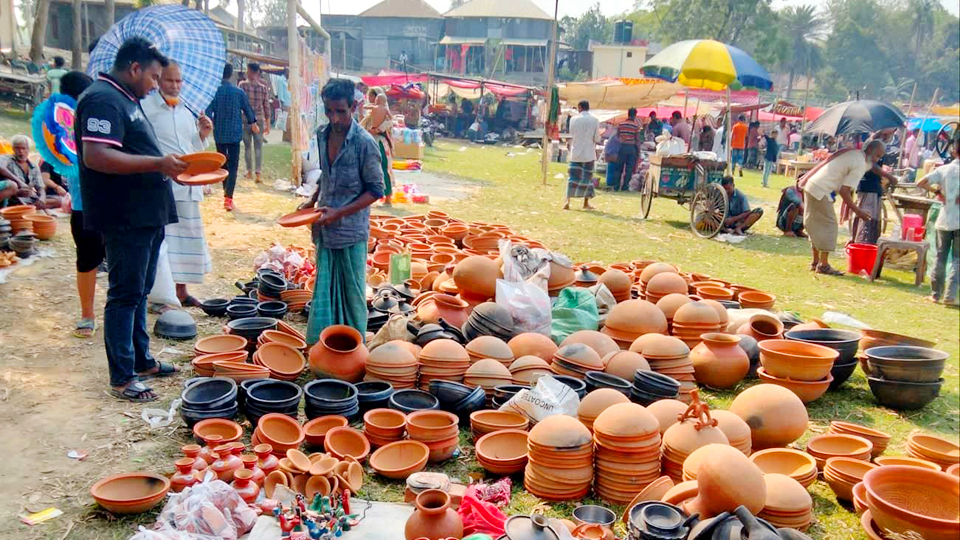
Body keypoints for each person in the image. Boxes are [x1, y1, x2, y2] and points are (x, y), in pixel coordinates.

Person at [76, 36, 187, 401]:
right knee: (125, 294)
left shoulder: (127, 99)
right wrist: (158, 163)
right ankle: (122, 376)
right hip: (124, 215)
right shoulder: (102, 100)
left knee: (140, 291)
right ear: (134, 68)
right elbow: (97, 156)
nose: (157, 85)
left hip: (146, 213)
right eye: (154, 77)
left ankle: (141, 359)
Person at [298, 79, 385, 343]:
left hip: (350, 231)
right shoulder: (323, 135)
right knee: (324, 289)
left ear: (354, 107)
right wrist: (312, 200)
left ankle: (352, 348)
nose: (335, 118)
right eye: (329, 111)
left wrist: (340, 213)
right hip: (325, 228)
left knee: (352, 294)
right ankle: (323, 345)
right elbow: (326, 175)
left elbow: (376, 190)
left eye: (341, 111)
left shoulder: (364, 143)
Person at [142, 61, 214, 307]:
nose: (174, 86)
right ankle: (161, 296)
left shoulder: (186, 111)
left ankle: (181, 292)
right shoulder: (145, 109)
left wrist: (202, 135)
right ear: (158, 81)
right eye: (169, 80)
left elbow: (191, 147)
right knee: (165, 244)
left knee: (188, 239)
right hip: (162, 187)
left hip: (189, 186)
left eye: (178, 81)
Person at [57, 71, 102, 338]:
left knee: (88, 261)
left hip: (94, 205)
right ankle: (87, 314)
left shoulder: (97, 117)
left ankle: (89, 315)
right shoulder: (63, 126)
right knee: (87, 260)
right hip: (85, 205)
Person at [801, 140, 885, 275]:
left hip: (812, 186)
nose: (877, 160)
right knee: (829, 226)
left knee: (815, 225)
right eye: (877, 156)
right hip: (821, 191)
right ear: (869, 151)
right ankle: (823, 264)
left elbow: (870, 168)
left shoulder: (855, 154)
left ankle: (816, 261)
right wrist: (858, 211)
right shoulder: (859, 164)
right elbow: (844, 191)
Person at [206, 63, 258, 211]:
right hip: (235, 133)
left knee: (223, 163)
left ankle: (225, 192)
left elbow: (208, 111)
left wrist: (208, 123)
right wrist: (253, 122)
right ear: (230, 74)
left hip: (220, 133)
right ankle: (228, 198)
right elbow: (247, 109)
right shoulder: (238, 92)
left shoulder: (214, 92)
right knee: (233, 166)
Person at [917, 133, 959, 305]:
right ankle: (950, 295)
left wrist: (937, 192)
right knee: (958, 259)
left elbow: (921, 182)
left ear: (953, 150)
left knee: (940, 257)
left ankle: (936, 294)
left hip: (945, 219)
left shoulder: (944, 169)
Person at [850, 134, 898, 245]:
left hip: (875, 188)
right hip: (868, 188)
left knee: (874, 218)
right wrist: (890, 177)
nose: (879, 158)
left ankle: (870, 243)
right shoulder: (870, 145)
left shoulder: (880, 143)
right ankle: (861, 243)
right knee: (867, 217)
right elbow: (872, 165)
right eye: (878, 156)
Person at [0, 135, 58, 208]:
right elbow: (0, 167)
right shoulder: (6, 159)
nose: (21, 151)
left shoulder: (33, 166)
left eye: (23, 148)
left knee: (58, 200)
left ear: (28, 149)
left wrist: (42, 198)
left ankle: (29, 207)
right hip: (12, 197)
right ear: (13, 149)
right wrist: (19, 185)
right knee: (12, 185)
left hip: (28, 199)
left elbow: (40, 187)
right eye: (17, 148)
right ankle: (23, 207)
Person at [360, 92, 395, 206]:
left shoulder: (374, 110)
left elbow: (388, 124)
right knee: (376, 169)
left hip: (377, 141)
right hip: (376, 141)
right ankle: (380, 197)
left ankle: (387, 197)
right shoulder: (383, 111)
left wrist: (376, 129)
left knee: (382, 168)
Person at [239, 62, 270, 184]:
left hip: (246, 120)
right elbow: (266, 106)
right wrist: (267, 123)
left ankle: (249, 171)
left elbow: (240, 104)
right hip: (259, 120)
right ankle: (258, 173)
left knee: (247, 147)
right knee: (258, 147)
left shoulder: (242, 86)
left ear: (250, 71)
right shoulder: (263, 88)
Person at [565, 100, 599, 210]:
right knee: (587, 179)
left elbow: (571, 134)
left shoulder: (574, 119)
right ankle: (585, 203)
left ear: (579, 107)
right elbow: (597, 138)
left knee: (572, 177)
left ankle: (567, 202)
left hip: (576, 153)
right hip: (589, 154)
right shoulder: (595, 120)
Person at [609, 108, 641, 191]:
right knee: (629, 168)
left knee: (618, 167)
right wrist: (638, 150)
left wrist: (622, 140)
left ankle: (616, 186)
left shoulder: (621, 124)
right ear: (635, 115)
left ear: (628, 114)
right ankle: (625, 186)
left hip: (622, 147)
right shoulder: (636, 126)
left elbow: (617, 135)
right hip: (631, 148)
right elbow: (637, 140)